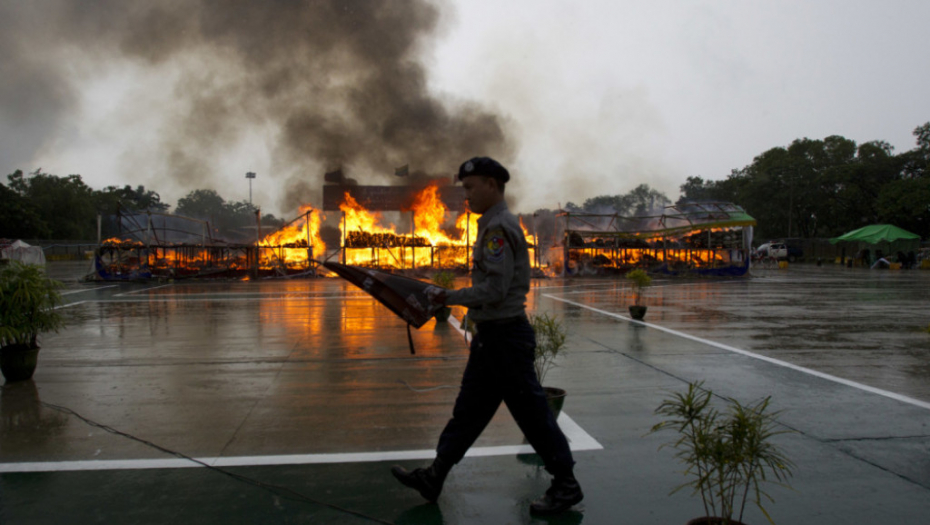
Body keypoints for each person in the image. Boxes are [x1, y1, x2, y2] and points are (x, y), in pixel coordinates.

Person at [390, 157, 583, 515]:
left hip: (505, 338)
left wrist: (448, 296)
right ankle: (435, 475)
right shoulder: (491, 225)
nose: (466, 195)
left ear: (492, 185)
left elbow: (495, 289)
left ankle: (566, 485)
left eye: (470, 187)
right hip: (493, 338)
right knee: (469, 412)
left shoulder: (498, 228)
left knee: (532, 414)